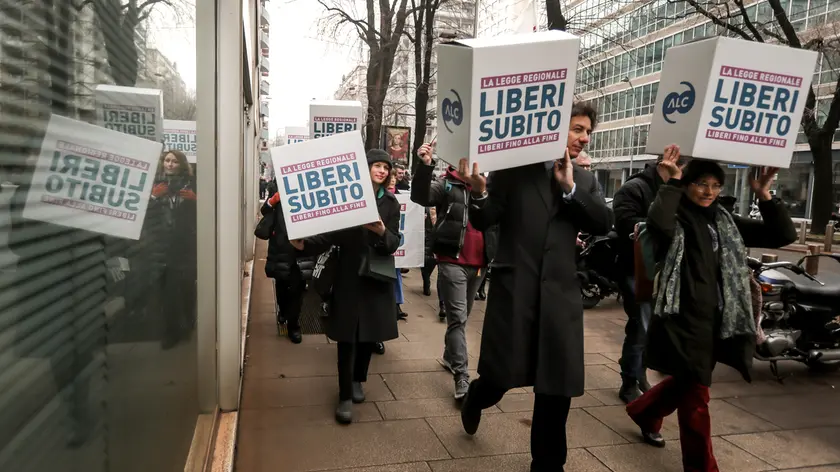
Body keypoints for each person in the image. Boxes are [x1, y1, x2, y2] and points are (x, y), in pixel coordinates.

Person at [458, 101, 611, 472]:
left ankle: (547, 465)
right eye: (577, 129)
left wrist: (570, 187)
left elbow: (603, 222)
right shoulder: (515, 171)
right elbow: (485, 218)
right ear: (556, 129)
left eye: (587, 131)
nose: (583, 137)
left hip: (560, 298)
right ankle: (476, 397)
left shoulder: (585, 180)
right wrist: (478, 192)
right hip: (518, 291)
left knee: (555, 390)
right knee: (499, 377)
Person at [626, 147, 796, 472]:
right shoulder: (676, 217)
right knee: (696, 400)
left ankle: (645, 412)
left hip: (720, 320)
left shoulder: (724, 220)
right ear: (688, 184)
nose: (709, 192)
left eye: (715, 185)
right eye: (701, 184)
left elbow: (782, 234)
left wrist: (764, 194)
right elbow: (657, 224)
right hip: (684, 321)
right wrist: (671, 182)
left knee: (686, 384)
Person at [291, 149, 400, 424]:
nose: (382, 171)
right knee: (347, 336)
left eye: (386, 167)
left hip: (375, 276)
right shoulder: (349, 199)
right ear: (365, 169)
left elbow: (394, 243)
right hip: (349, 275)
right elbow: (330, 236)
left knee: (368, 334)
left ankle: (358, 380)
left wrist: (381, 232)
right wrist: (304, 244)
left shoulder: (390, 203)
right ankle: (344, 396)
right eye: (377, 166)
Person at [411, 141, 497, 400]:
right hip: (452, 261)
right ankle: (462, 376)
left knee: (463, 316)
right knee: (457, 319)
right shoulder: (446, 184)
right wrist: (425, 166)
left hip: (479, 266)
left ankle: (450, 357)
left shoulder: (487, 187)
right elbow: (421, 196)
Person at [611, 155, 673, 403]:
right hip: (637, 269)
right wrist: (666, 224)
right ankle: (629, 381)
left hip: (665, 270)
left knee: (652, 327)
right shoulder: (634, 188)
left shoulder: (678, 189)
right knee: (641, 325)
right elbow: (626, 223)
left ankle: (638, 372)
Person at [148, 150, 198, 349]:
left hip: (186, 245)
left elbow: (205, 213)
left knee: (186, 287)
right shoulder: (156, 184)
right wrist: (152, 197)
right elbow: (142, 215)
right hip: (161, 246)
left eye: (174, 161)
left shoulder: (191, 185)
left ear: (182, 165)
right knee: (166, 291)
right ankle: (171, 332)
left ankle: (188, 322)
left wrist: (196, 200)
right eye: (167, 160)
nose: (170, 164)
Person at [261, 185, 315, 344]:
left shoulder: (309, 187)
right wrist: (273, 201)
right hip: (281, 247)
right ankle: (283, 310)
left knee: (298, 289)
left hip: (302, 246)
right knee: (282, 285)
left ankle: (294, 325)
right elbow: (265, 211)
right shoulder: (276, 186)